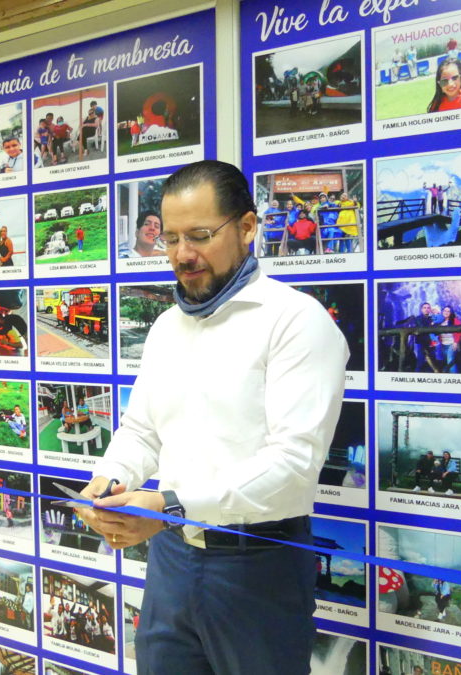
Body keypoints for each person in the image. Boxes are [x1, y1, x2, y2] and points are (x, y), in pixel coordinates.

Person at [75, 161, 348, 674]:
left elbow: (293, 467)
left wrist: (170, 504)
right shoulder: (165, 327)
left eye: (200, 235)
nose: (182, 254)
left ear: (247, 228)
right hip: (170, 564)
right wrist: (107, 484)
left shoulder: (295, 322)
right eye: (171, 237)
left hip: (256, 567)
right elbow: (142, 430)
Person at [436, 305, 461, 374]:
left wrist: (456, 342)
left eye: (448, 311)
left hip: (452, 344)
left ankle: (454, 378)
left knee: (450, 360)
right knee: (447, 361)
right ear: (442, 312)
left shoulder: (455, 320)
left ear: (451, 313)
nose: (446, 312)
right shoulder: (439, 321)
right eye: (445, 310)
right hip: (443, 344)